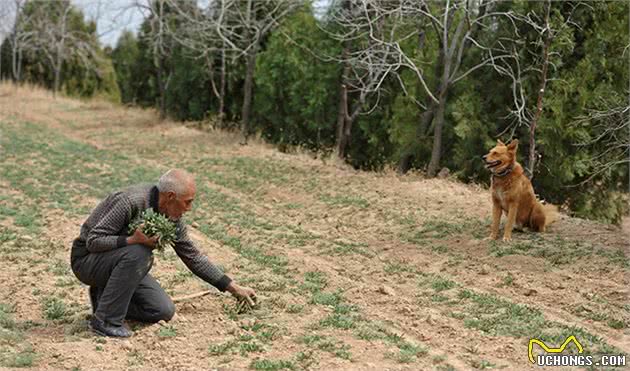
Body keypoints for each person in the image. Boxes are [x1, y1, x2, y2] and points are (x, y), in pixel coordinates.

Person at [70, 169, 256, 337]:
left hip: (121, 264)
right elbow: (93, 241)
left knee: (161, 310)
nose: (189, 208)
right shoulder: (130, 201)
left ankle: (104, 299)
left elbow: (193, 257)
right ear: (170, 197)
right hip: (87, 260)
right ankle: (106, 320)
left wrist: (232, 287)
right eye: (187, 202)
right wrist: (131, 240)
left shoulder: (170, 217)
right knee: (140, 252)